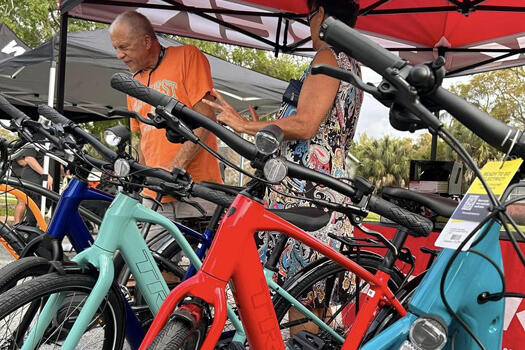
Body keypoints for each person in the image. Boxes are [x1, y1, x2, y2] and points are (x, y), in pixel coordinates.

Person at [204, 0, 362, 333]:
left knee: (299, 295)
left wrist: (241, 125)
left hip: (307, 187)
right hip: (328, 182)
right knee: (309, 295)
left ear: (320, 13)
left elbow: (306, 124)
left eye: (308, 16)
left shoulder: (327, 57)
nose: (308, 26)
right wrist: (273, 126)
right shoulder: (352, 63)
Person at [109, 11, 223, 241]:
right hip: (155, 194)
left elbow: (207, 118)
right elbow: (142, 139)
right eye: (116, 48)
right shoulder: (133, 83)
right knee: (150, 269)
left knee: (206, 269)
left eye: (124, 47)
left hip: (197, 189)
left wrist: (175, 167)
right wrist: (138, 179)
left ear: (147, 41)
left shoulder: (186, 56)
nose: (119, 55)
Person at [12, 146, 53, 225]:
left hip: (35, 178)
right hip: (20, 177)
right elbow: (22, 162)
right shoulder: (25, 145)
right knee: (22, 201)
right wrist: (41, 166)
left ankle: (27, 224)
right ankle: (16, 225)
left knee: (34, 204)